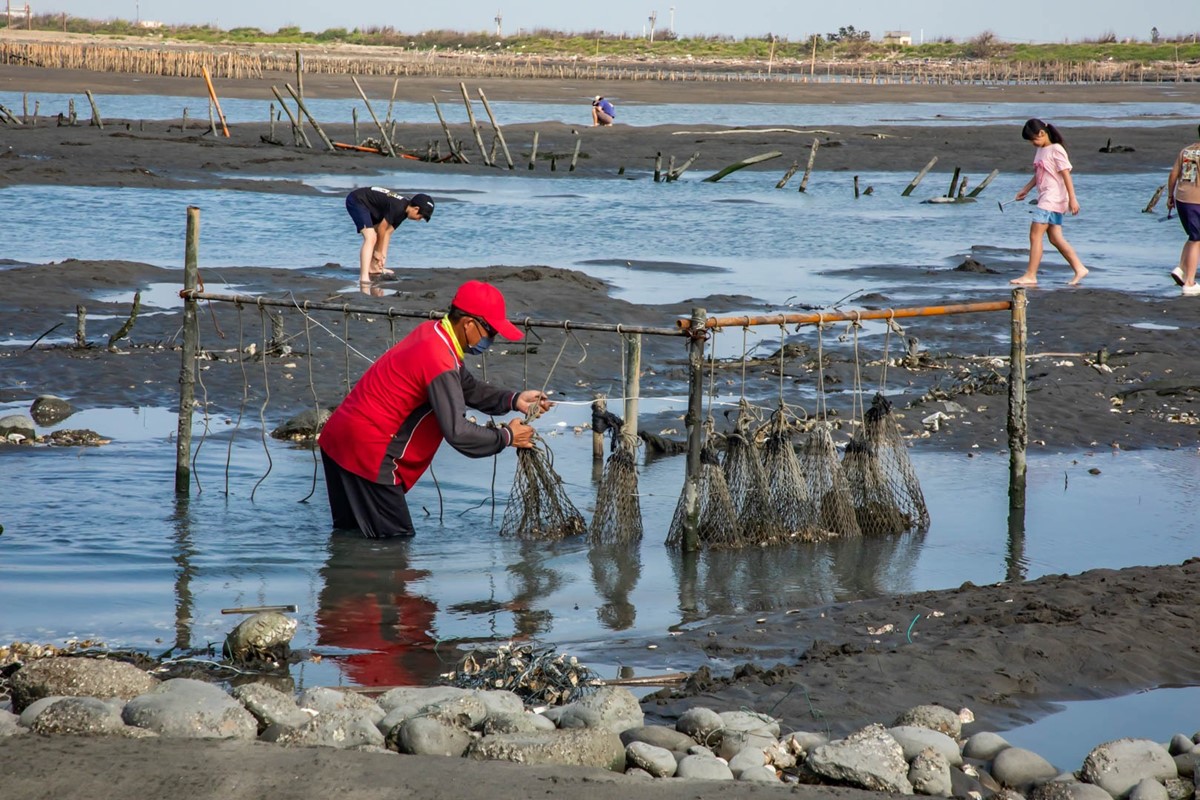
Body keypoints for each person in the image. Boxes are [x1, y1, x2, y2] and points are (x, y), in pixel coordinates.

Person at [317, 279, 552, 539]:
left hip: (338, 441)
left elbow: (467, 387)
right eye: (491, 333)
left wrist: (514, 399)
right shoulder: (439, 358)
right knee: (395, 545)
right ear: (469, 324)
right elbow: (458, 433)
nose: (492, 340)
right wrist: (507, 437)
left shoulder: (433, 333)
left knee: (350, 537)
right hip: (369, 455)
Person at [1009, 119, 1088, 287]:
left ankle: (1031, 275)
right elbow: (1039, 174)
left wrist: (1073, 198)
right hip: (1046, 197)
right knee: (1055, 238)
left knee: (1035, 235)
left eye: (1033, 139)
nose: (1032, 143)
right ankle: (1079, 268)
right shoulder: (1041, 150)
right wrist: (1026, 189)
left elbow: (1066, 174)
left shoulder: (1056, 150)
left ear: (1042, 133)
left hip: (1052, 199)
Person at [344, 187, 435, 291]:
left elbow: (387, 233)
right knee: (371, 237)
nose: (419, 220)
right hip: (357, 200)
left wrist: (382, 258)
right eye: (420, 217)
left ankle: (375, 267)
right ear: (416, 209)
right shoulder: (398, 207)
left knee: (375, 235)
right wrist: (378, 251)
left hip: (371, 206)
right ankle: (363, 277)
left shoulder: (403, 212)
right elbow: (382, 228)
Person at [1167, 127, 1200, 296]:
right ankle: (1190, 282)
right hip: (1197, 200)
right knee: (1196, 239)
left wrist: (1170, 196)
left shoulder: (1186, 151)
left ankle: (1181, 268)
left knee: (1193, 236)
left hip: (1182, 199)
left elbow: (1173, 174)